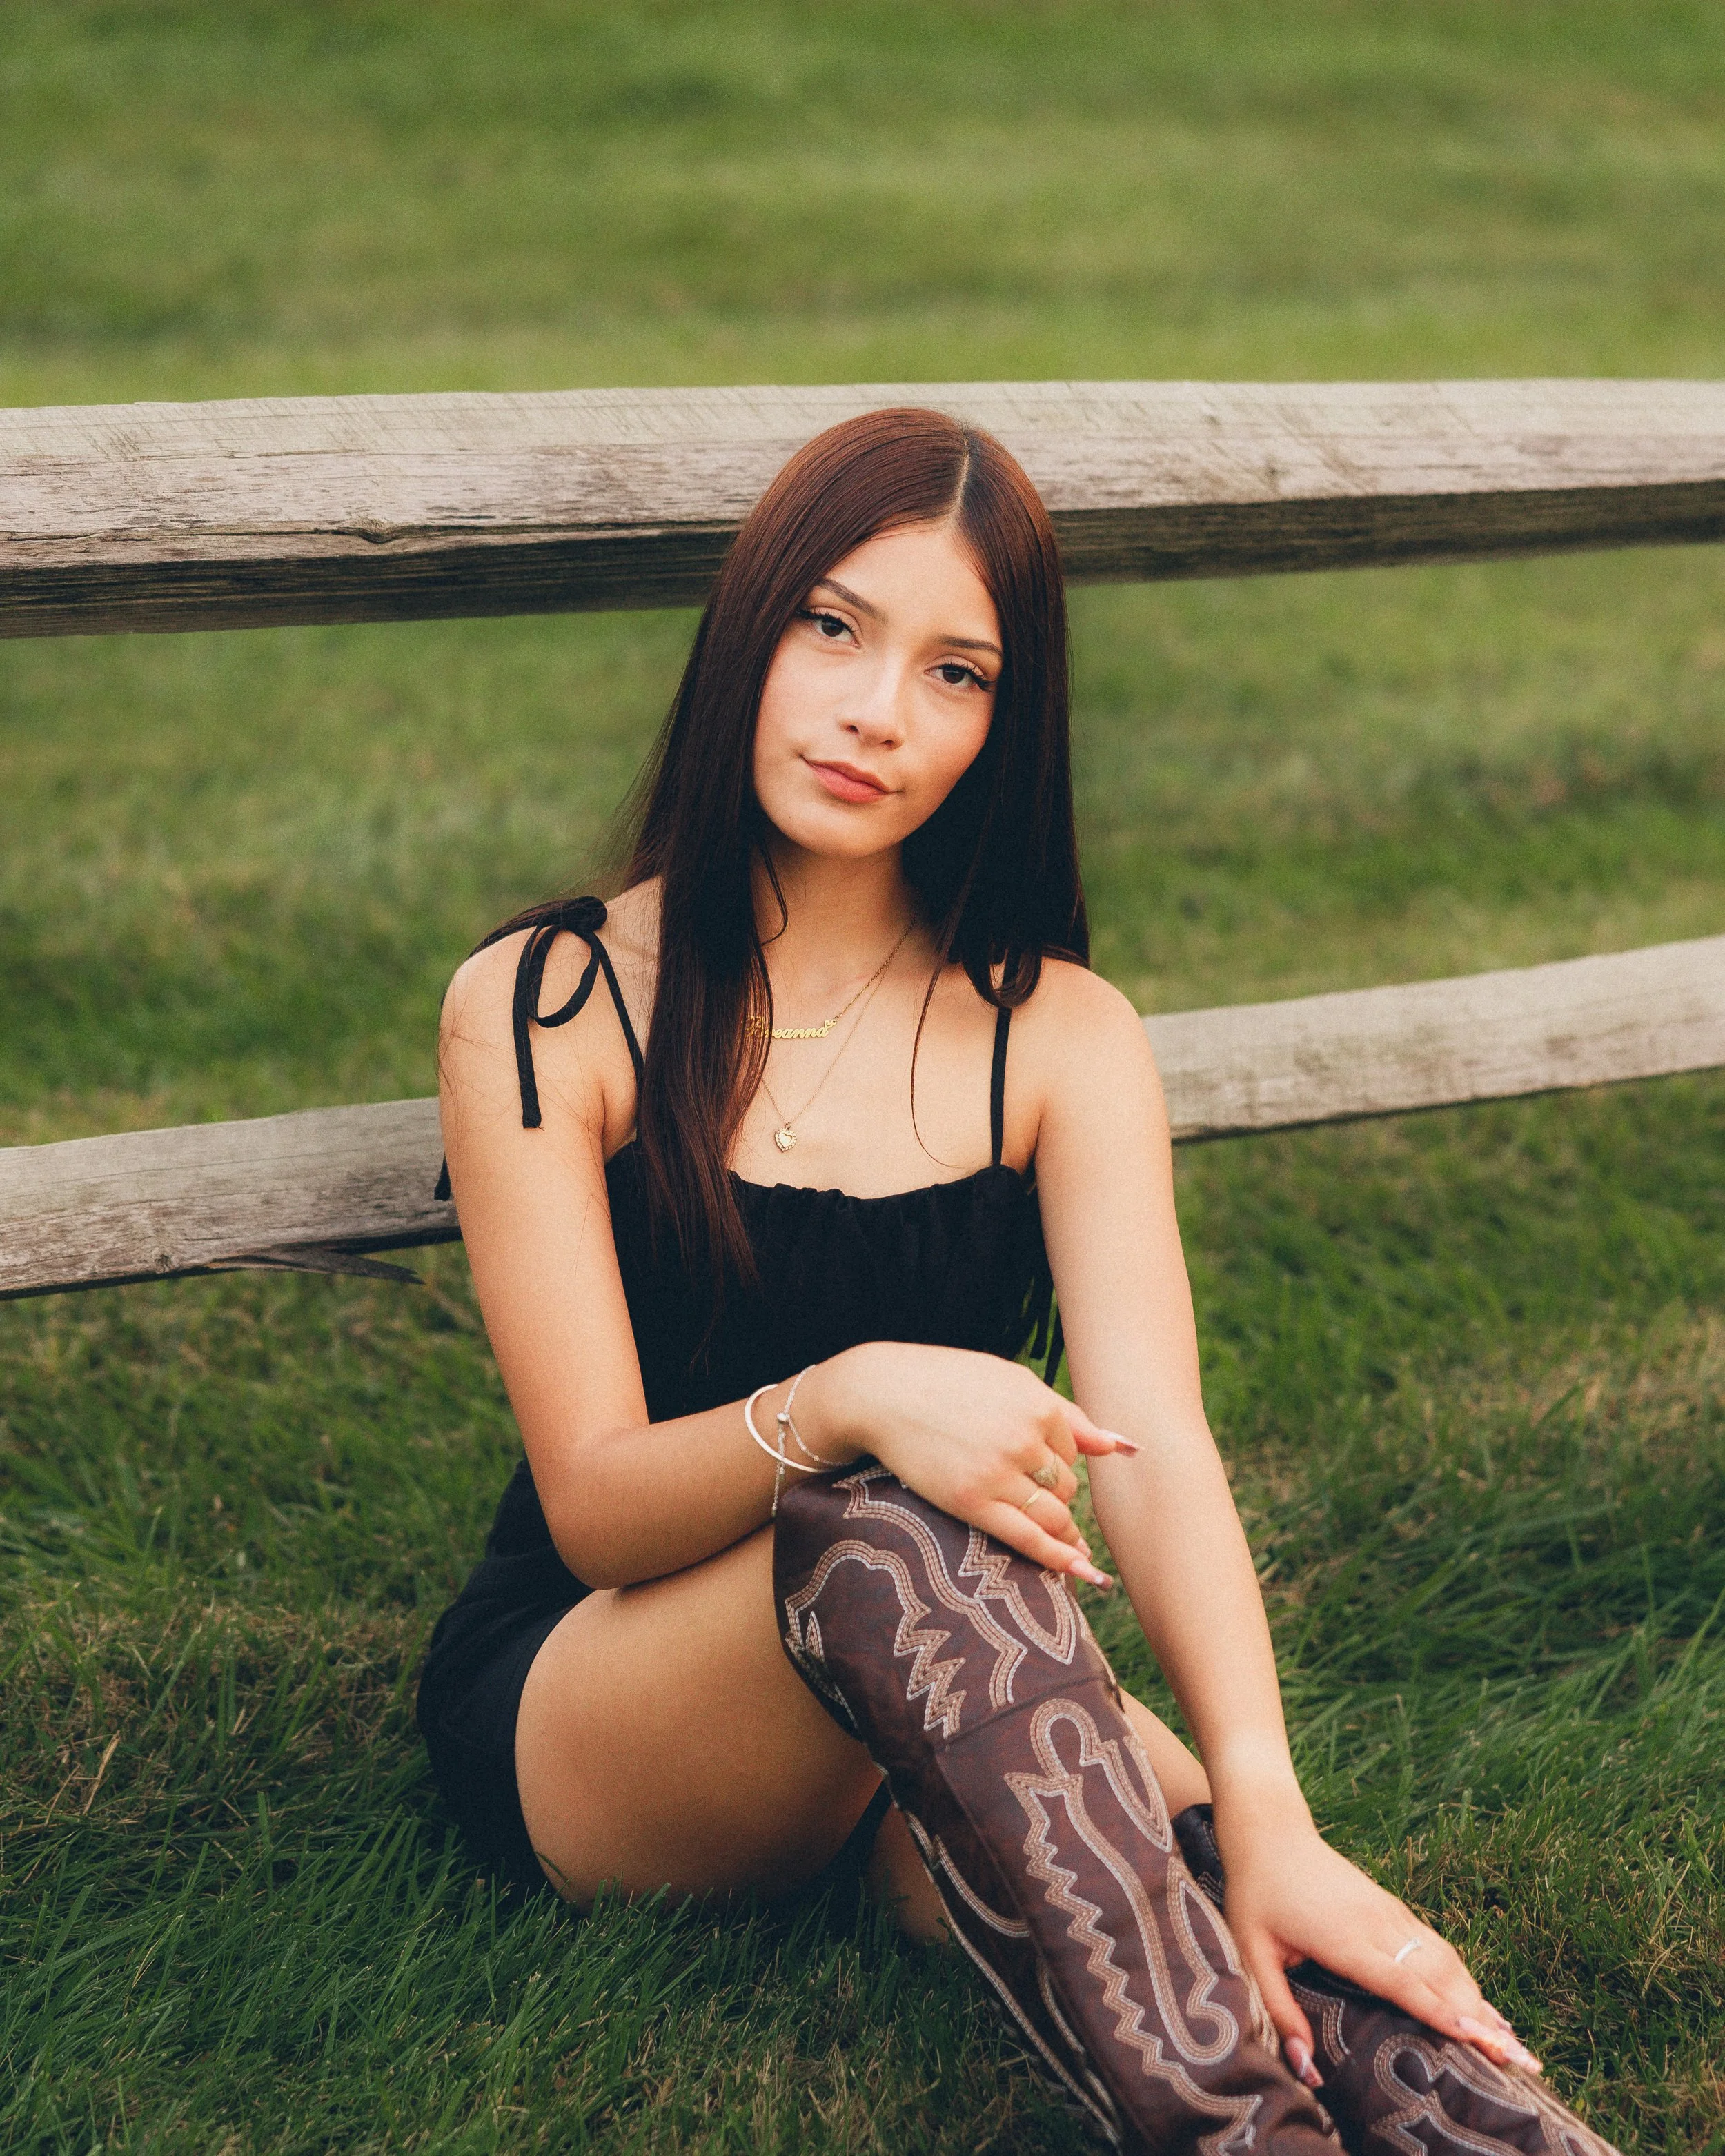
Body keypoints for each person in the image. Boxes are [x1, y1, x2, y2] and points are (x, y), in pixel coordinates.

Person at [418, 409, 1617, 2155]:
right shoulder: (547, 999)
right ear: (747, 624)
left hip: (948, 1671)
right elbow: (595, 1506)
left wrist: (1267, 1801)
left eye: (954, 669)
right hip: (609, 1704)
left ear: (1005, 718)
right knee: (889, 1524)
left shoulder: (1057, 1035)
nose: (875, 710)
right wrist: (840, 1399)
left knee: (1242, 1901)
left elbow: (1160, 1442)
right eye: (832, 626)